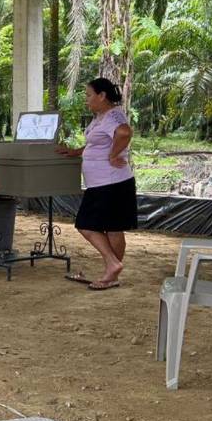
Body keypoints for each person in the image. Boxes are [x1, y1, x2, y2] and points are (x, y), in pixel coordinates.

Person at [57, 77, 136, 291]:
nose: (86, 99)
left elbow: (125, 133)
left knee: (88, 224)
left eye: (89, 95)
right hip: (103, 183)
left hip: (111, 182)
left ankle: (112, 266)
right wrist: (75, 152)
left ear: (102, 96)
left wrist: (113, 155)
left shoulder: (113, 115)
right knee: (111, 227)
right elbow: (97, 143)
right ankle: (111, 272)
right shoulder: (101, 116)